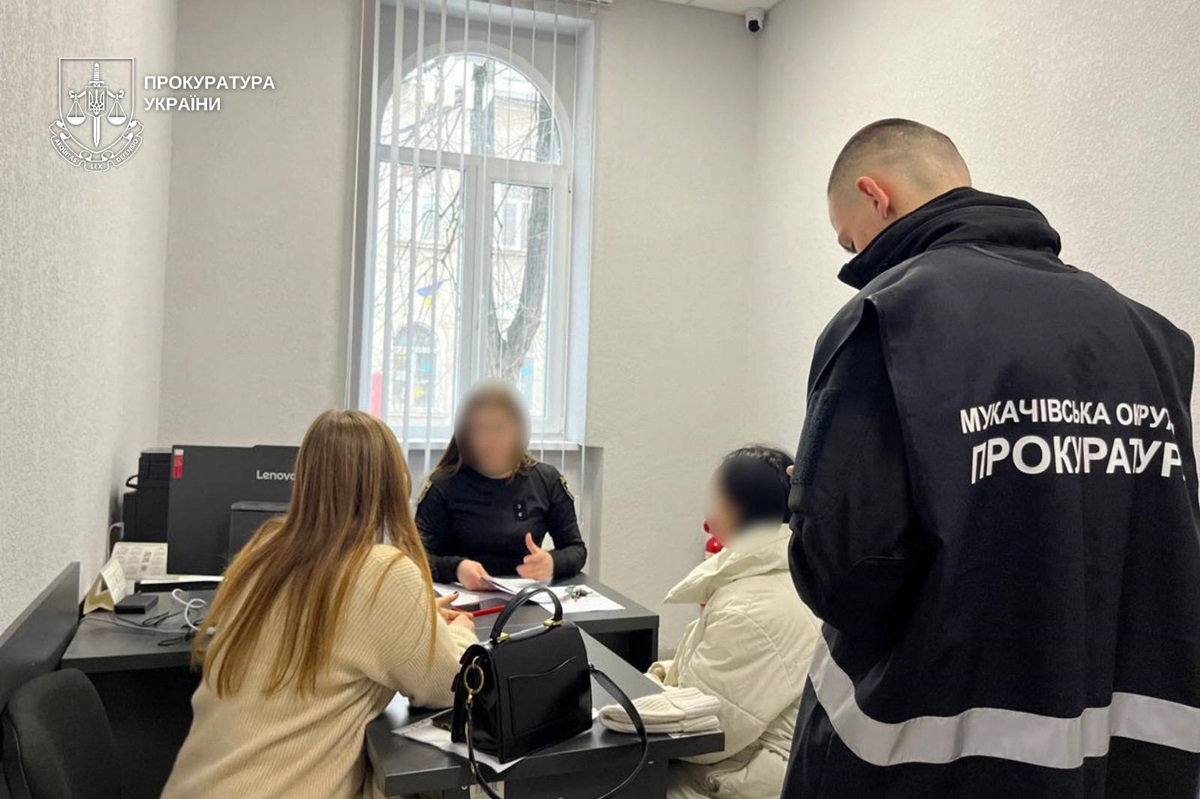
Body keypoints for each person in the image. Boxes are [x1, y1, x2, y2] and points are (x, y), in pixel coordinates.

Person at [784, 118, 1200, 799]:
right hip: (1124, 761)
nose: (855, 258)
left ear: (875, 195)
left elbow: (842, 569)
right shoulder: (1151, 335)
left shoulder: (889, 316)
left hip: (925, 760)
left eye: (849, 241)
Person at [162, 410, 477, 799]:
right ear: (392, 484)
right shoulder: (383, 572)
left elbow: (339, 632)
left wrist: (418, 624)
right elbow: (449, 686)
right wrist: (458, 634)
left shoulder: (263, 551)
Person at [649, 446, 821, 799]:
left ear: (735, 507)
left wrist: (643, 697)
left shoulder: (749, 607)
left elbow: (705, 737)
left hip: (740, 779)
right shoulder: (792, 575)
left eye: (714, 495)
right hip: (764, 764)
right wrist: (663, 675)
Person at [416, 380, 586, 589]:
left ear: (518, 431)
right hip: (460, 597)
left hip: (524, 597)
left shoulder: (546, 480)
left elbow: (576, 550)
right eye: (479, 429)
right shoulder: (443, 485)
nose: (489, 440)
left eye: (499, 428)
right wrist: (456, 568)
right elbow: (416, 557)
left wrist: (552, 563)